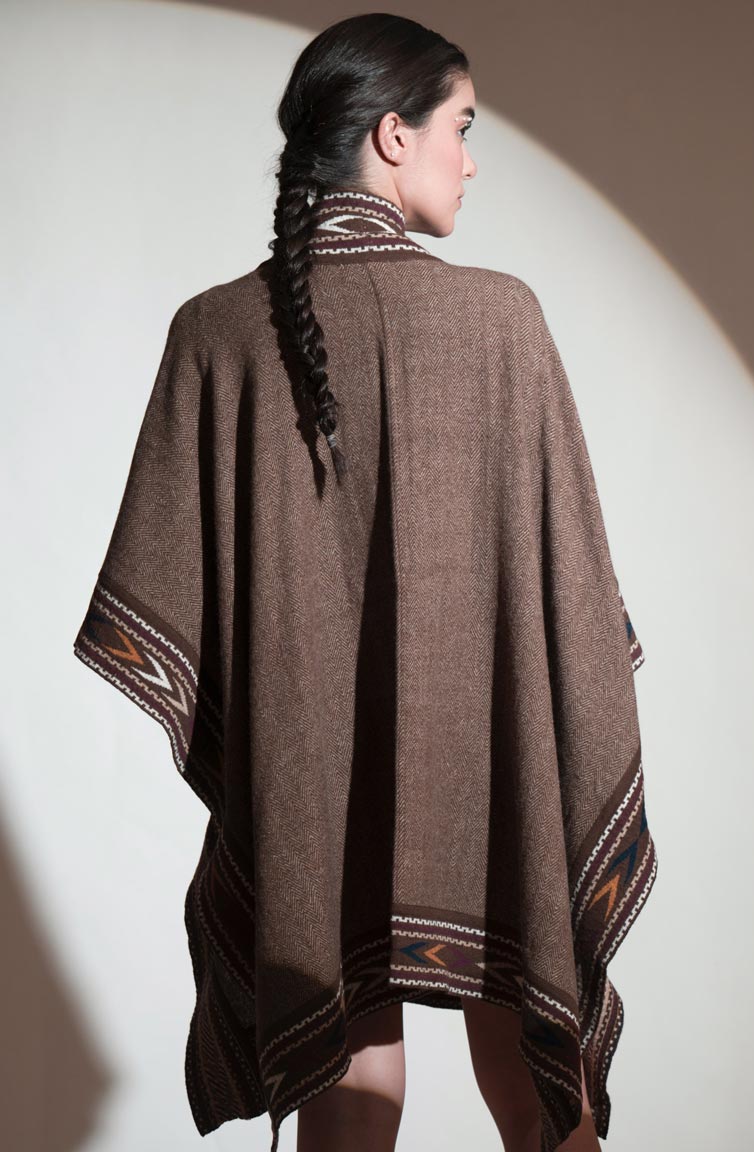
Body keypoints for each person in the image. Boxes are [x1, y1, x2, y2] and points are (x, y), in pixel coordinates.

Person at [72, 13, 657, 1152]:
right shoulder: (501, 321)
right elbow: (574, 605)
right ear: (394, 135)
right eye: (462, 127)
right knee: (526, 999)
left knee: (341, 1020)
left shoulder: (214, 332)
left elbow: (175, 613)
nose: (471, 160)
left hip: (307, 789)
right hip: (491, 770)